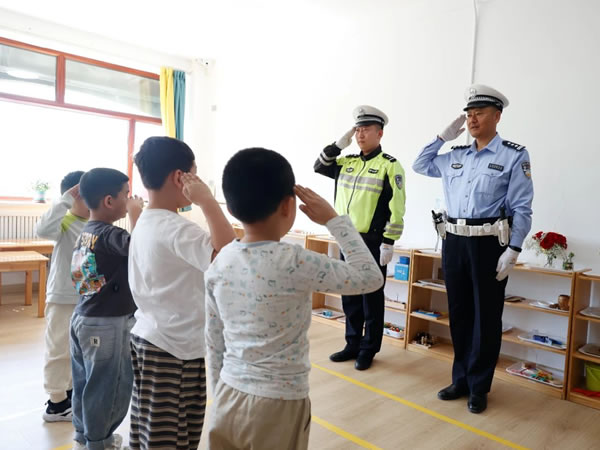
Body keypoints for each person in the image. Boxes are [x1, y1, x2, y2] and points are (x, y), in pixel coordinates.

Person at [204, 147, 383, 450]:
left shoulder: (220, 262)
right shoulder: (295, 261)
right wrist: (334, 220)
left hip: (227, 395)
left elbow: (213, 337)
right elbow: (370, 276)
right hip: (279, 403)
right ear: (289, 206)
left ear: (232, 209)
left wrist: (218, 392)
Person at [412, 84, 534, 413]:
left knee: (486, 317)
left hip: (489, 245)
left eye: (479, 113)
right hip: (454, 242)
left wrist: (514, 249)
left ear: (497, 116)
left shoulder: (513, 155)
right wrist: (442, 137)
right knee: (460, 314)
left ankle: (479, 386)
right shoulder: (456, 155)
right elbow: (420, 165)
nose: (472, 119)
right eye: (468, 115)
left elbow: (522, 207)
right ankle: (461, 379)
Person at [127, 137, 236, 450]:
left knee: (151, 428)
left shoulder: (146, 221)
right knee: (172, 436)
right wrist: (207, 201)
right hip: (173, 350)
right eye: (194, 174)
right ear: (180, 177)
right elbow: (229, 255)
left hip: (152, 338)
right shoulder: (177, 228)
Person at [314, 105, 406, 370]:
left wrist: (389, 242)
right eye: (357, 130)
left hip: (373, 241)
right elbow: (319, 165)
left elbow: (397, 207)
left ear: (380, 133)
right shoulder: (347, 163)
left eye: (366, 129)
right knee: (350, 293)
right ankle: (352, 343)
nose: (360, 135)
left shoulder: (389, 165)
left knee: (371, 297)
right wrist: (338, 144)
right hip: (346, 237)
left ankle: (369, 348)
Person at [70, 168, 143, 449]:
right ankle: (99, 443)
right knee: (109, 387)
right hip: (107, 323)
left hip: (84, 317)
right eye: (127, 194)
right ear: (110, 201)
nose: (130, 199)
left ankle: (85, 436)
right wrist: (137, 215)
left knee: (85, 382)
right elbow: (141, 249)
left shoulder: (87, 231)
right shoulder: (111, 234)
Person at [34, 171, 89, 422]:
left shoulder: (94, 223)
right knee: (59, 349)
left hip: (86, 298)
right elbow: (42, 229)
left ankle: (68, 393)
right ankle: (55, 404)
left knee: (77, 350)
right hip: (62, 297)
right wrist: (65, 199)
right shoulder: (64, 222)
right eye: (84, 197)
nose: (90, 202)